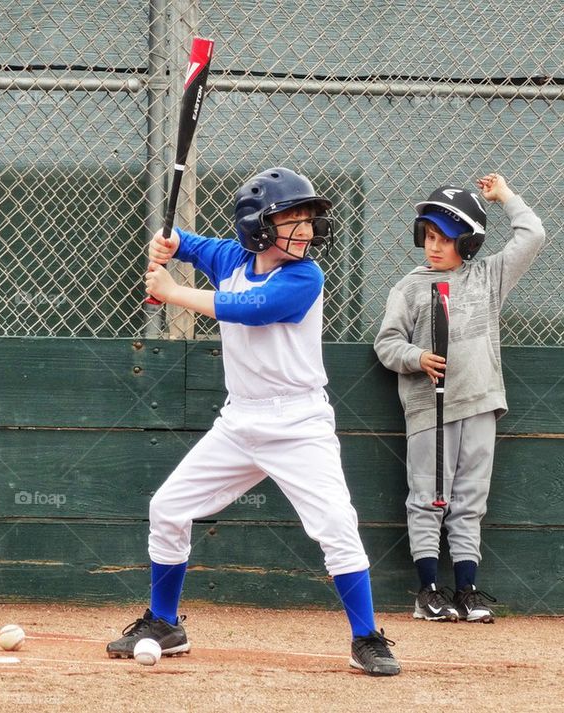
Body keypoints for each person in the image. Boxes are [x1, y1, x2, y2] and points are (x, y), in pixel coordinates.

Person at [106, 167, 400, 676]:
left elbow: (247, 309)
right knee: (168, 507)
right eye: (290, 219)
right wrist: (168, 243)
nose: (305, 229)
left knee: (335, 524)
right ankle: (164, 621)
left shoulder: (304, 276)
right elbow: (190, 244)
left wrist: (171, 292)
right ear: (256, 226)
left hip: (299, 421)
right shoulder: (234, 258)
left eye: (307, 219)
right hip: (239, 421)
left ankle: (366, 636)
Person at [374, 173, 545, 623]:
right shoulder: (409, 287)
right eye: (428, 236)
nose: (433, 247)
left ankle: (466, 589)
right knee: (429, 497)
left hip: (481, 403)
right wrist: (416, 357)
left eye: (446, 240)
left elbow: (533, 235)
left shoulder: (488, 277)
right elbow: (387, 343)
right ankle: (428, 591)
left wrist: (505, 195)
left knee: (470, 500)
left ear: (467, 246)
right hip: (431, 410)